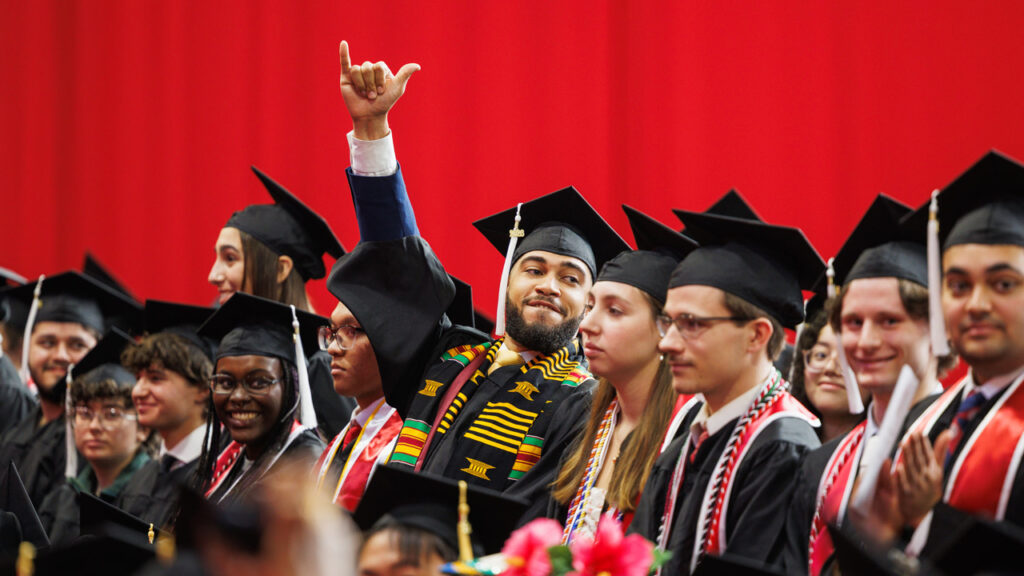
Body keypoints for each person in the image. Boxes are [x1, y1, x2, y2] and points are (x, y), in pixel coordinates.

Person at [327, 41, 628, 522]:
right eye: (534, 269)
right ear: (507, 281)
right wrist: (371, 130)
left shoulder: (584, 401)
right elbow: (400, 263)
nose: (549, 286)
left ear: (588, 303)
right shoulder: (447, 356)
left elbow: (534, 518)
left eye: (570, 278)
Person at [629, 207, 823, 574]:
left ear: (756, 335)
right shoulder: (687, 440)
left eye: (691, 324)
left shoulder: (784, 450)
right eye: (669, 322)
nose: (667, 343)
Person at [782, 194, 949, 575]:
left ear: (937, 328)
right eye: (854, 323)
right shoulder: (820, 465)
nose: (866, 342)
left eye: (889, 321)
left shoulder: (960, 442)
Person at [893, 150, 1024, 558]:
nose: (976, 305)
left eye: (1003, 284)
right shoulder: (923, 420)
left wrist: (930, 520)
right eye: (959, 286)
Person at [549, 205, 696, 541]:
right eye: (590, 307)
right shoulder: (582, 416)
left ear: (666, 328)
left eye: (614, 311)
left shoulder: (687, 439)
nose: (586, 325)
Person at [208, 165, 354, 439]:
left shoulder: (320, 365)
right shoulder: (229, 355)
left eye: (230, 258)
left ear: (281, 269)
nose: (213, 275)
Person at [0, 271, 140, 507]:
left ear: (98, 349)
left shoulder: (96, 440)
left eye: (76, 344)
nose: (60, 355)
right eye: (47, 342)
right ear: (27, 346)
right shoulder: (19, 427)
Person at [194, 292, 325, 504]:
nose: (238, 396)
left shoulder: (307, 468)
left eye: (258, 383)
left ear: (291, 386)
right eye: (226, 383)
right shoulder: (233, 458)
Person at [37, 329, 154, 545]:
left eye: (111, 414)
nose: (94, 426)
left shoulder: (152, 496)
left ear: (143, 429)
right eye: (84, 413)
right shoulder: (63, 497)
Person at [116, 300, 215, 530]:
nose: (137, 391)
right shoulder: (143, 476)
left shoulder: (217, 476)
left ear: (202, 388)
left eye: (155, 378)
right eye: (138, 378)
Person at [788, 300, 867, 444]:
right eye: (821, 355)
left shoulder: (887, 450)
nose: (830, 368)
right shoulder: (784, 441)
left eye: (847, 359)